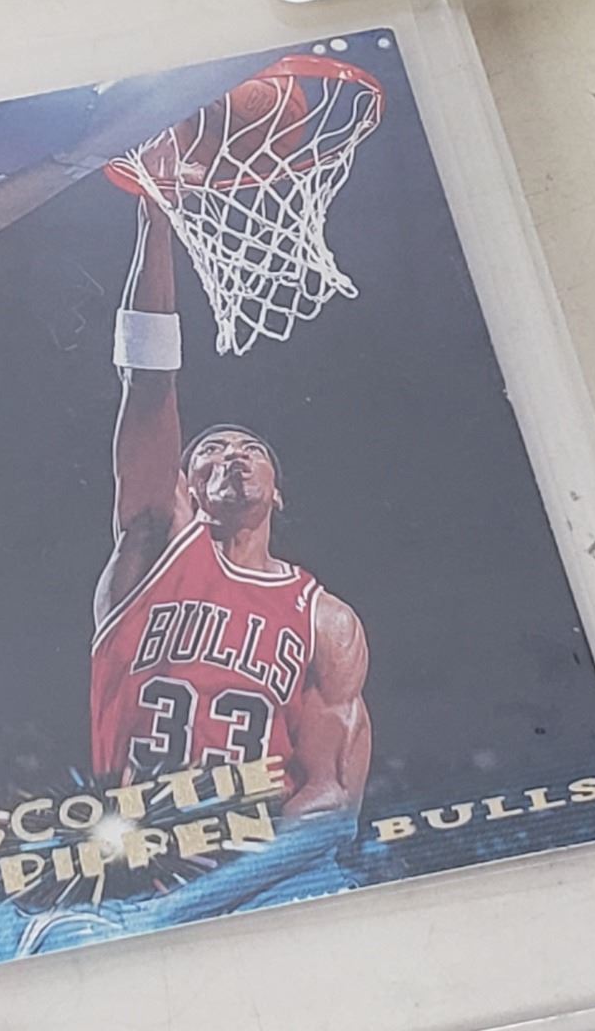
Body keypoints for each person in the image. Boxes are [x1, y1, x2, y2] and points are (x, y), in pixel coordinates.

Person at [91, 194, 370, 819]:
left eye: (250, 451)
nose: (233, 456)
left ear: (278, 491)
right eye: (211, 450)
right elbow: (148, 384)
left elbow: (332, 792)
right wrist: (156, 221)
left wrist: (251, 867)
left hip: (257, 854)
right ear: (184, 486)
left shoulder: (325, 621)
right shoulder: (153, 548)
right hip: (138, 841)